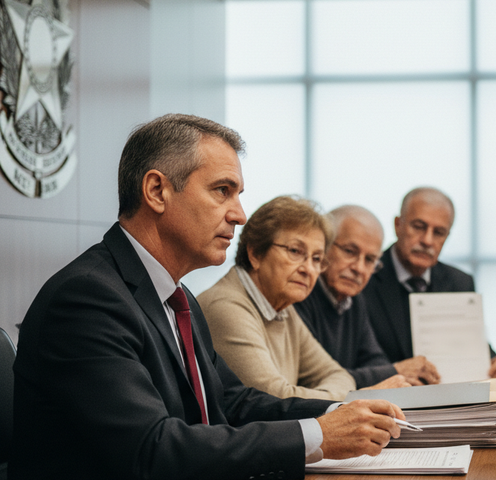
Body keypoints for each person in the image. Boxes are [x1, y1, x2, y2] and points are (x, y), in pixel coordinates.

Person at [10, 114, 404, 480]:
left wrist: (338, 414)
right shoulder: (87, 299)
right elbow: (151, 449)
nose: (240, 215)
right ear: (157, 190)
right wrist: (315, 436)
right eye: (222, 191)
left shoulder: (177, 297)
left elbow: (232, 403)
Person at [198, 196, 409, 401]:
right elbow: (275, 399)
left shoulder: (282, 308)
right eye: (295, 251)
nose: (308, 269)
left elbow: (337, 375)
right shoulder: (226, 307)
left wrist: (344, 395)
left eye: (316, 258)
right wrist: (356, 398)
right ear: (255, 254)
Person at [362, 186, 496, 382]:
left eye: (439, 232)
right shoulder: (364, 275)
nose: (427, 240)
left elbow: (472, 349)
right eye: (418, 227)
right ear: (398, 225)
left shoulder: (459, 282)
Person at [295, 205, 441, 388]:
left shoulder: (354, 299)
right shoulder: (300, 293)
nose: (359, 268)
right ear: (322, 247)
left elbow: (374, 360)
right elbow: (316, 379)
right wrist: (395, 371)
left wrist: (398, 376)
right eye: (349, 251)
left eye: (370, 260)